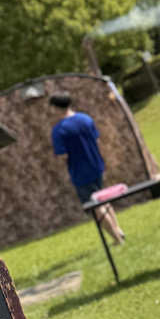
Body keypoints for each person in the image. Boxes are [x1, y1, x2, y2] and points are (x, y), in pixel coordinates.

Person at [49, 92, 125, 245]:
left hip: (80, 172)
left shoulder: (58, 130)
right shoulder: (86, 119)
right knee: (103, 200)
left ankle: (116, 238)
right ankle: (118, 230)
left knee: (95, 206)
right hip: (97, 165)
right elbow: (96, 139)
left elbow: (63, 155)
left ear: (56, 108)